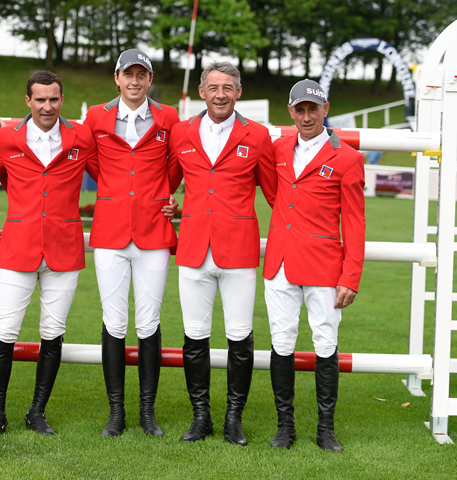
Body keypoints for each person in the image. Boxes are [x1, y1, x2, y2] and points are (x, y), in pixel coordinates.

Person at [0, 71, 96, 439]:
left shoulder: (81, 136)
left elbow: (113, 178)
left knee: (52, 332)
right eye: (40, 99)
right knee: (4, 332)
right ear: (27, 101)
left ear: (62, 100)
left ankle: (37, 412)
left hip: (65, 247)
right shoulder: (7, 137)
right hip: (19, 247)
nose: (47, 106)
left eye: (54, 99)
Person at [168, 61, 274, 445]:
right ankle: (201, 417)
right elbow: (166, 182)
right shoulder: (181, 132)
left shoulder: (258, 135)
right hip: (193, 250)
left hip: (239, 252)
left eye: (228, 87)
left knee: (239, 338)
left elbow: (277, 195)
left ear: (239, 92)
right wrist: (170, 203)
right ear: (202, 91)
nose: (221, 94)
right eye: (214, 87)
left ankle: (233, 418)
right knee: (194, 338)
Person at [259, 79, 366, 452]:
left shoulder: (348, 158)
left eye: (313, 109)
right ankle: (284, 426)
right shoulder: (277, 149)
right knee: (282, 342)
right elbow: (276, 196)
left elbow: (354, 222)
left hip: (324, 267)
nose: (306, 116)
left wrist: (350, 275)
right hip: (281, 264)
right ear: (290, 112)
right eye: (300, 109)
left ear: (326, 109)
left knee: (326, 343)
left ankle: (325, 429)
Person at [83, 48, 179, 437]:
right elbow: (91, 162)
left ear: (149, 80)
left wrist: (161, 195)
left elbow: (175, 166)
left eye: (142, 75)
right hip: (110, 231)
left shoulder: (168, 117)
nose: (135, 81)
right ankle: (116, 412)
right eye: (128, 74)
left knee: (149, 321)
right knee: (114, 321)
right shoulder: (96, 117)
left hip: (154, 230)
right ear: (117, 78)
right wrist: (114, 192)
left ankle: (147, 412)